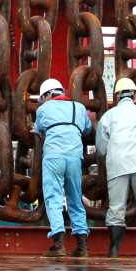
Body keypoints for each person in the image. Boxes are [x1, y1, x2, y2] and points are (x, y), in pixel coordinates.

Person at [95, 77, 136, 258]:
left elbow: (101, 148)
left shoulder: (108, 116)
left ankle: (114, 249)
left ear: (116, 97)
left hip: (117, 163)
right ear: (135, 96)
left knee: (116, 209)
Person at [33, 77, 92, 257]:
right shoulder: (79, 108)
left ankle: (58, 244)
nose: (41, 102)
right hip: (75, 157)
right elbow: (87, 129)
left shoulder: (43, 109)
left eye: (42, 98)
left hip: (54, 157)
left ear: (48, 95)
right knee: (75, 198)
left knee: (54, 197)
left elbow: (38, 129)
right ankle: (82, 245)